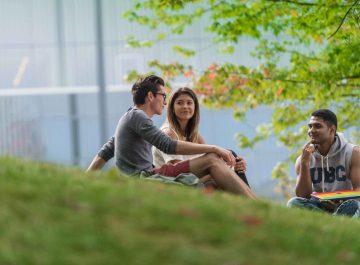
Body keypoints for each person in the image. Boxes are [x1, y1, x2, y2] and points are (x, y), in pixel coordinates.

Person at [87, 75, 256, 198]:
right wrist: (214, 148)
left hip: (150, 174)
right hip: (145, 178)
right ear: (151, 96)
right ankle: (255, 205)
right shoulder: (137, 116)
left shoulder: (131, 118)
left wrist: (85, 181)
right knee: (212, 158)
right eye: (163, 96)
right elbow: (168, 145)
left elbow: (105, 152)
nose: (165, 102)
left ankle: (254, 205)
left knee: (221, 165)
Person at [152, 87, 250, 187]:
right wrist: (225, 170)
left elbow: (212, 159)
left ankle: (248, 199)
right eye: (180, 103)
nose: (185, 106)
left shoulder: (194, 136)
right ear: (172, 108)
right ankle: (250, 200)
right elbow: (183, 176)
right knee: (227, 170)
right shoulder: (168, 133)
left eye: (189, 103)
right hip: (181, 185)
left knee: (231, 156)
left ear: (195, 107)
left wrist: (234, 164)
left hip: (196, 181)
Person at [287, 109, 360, 217]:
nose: (311, 130)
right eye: (310, 126)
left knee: (354, 205)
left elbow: (358, 189)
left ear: (332, 130)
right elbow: (303, 195)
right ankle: (336, 222)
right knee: (294, 203)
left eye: (317, 126)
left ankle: (334, 222)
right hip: (319, 206)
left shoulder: (354, 153)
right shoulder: (303, 159)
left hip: (346, 205)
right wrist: (304, 163)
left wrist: (339, 201)